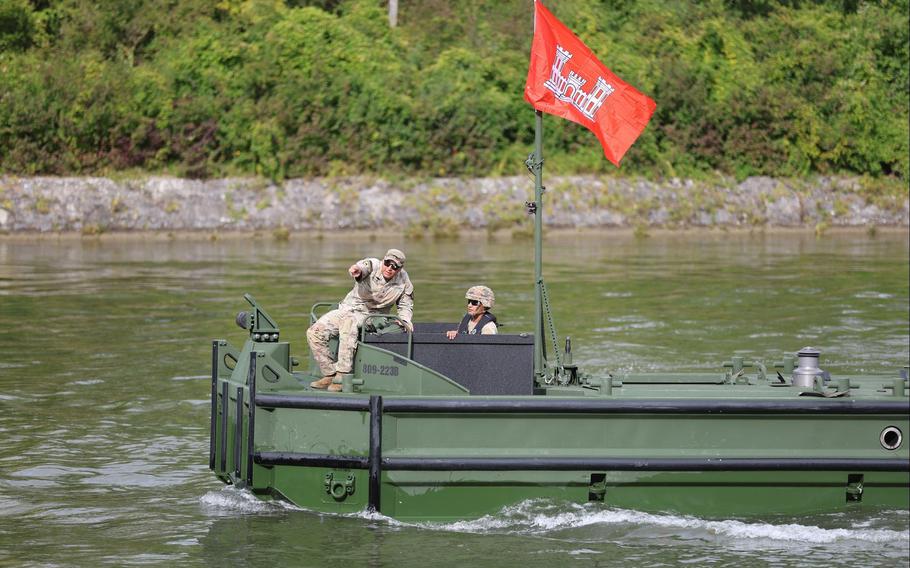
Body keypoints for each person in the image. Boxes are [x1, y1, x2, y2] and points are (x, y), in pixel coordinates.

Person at [307, 249, 414, 391]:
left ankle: (343, 374)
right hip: (347, 309)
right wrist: (357, 270)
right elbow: (364, 266)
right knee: (314, 332)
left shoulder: (404, 281)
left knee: (348, 322)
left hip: (372, 316)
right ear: (384, 261)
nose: (389, 268)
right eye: (388, 263)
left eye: (395, 266)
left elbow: (406, 305)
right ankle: (329, 374)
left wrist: (405, 320)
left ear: (400, 269)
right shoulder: (374, 265)